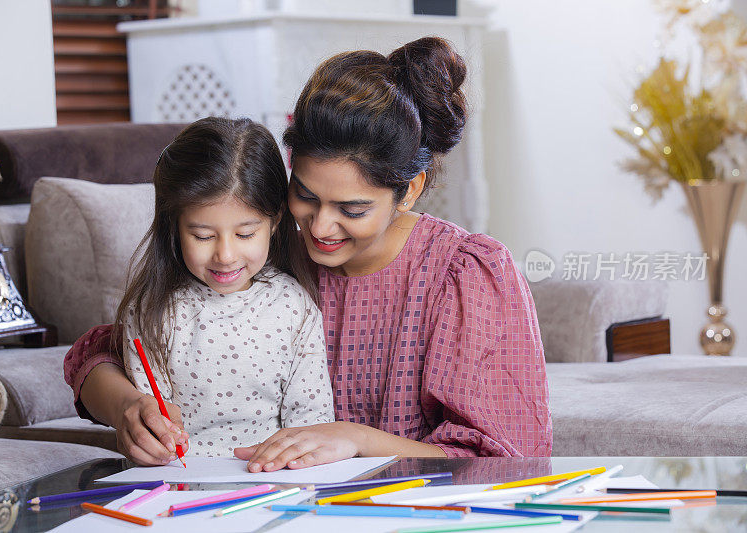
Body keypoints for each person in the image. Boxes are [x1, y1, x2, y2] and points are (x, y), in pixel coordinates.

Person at [64, 36, 552, 469]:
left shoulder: (463, 275)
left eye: (352, 208)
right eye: (305, 195)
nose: (319, 227)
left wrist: (354, 439)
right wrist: (126, 407)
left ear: (409, 190)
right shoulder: (258, 257)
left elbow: (507, 459)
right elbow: (102, 353)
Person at [97, 116, 333, 463]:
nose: (225, 255)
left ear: (276, 221)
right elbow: (150, 424)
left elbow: (311, 423)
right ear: (174, 227)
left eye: (245, 234)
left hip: (273, 479)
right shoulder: (154, 311)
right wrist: (155, 442)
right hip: (180, 480)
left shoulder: (293, 306)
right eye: (203, 236)